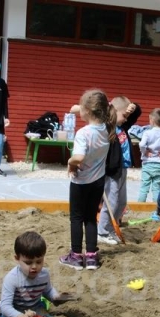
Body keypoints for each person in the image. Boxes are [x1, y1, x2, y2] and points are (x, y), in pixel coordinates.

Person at [0, 231, 98, 317]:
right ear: (17, 259)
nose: (34, 267)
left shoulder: (44, 274)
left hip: (36, 309)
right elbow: (5, 306)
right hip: (15, 310)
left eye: (39, 261)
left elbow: (48, 291)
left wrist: (56, 297)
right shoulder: (12, 278)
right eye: (28, 263)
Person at [59, 89, 113, 270]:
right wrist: (79, 107)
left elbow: (79, 157)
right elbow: (82, 109)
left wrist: (69, 161)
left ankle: (75, 256)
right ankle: (91, 256)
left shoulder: (84, 133)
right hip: (98, 181)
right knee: (90, 217)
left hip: (81, 182)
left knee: (76, 218)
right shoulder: (106, 129)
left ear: (88, 111)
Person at [97, 96, 142, 245]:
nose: (125, 119)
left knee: (121, 203)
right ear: (114, 112)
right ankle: (102, 232)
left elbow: (136, 113)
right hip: (111, 172)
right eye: (124, 115)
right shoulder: (107, 127)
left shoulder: (123, 127)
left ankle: (111, 229)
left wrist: (132, 108)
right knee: (111, 202)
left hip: (123, 170)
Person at [138, 108, 160, 202]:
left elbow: (141, 144)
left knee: (144, 186)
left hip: (148, 163)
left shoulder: (147, 133)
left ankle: (140, 206)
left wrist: (144, 151)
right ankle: (156, 207)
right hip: (159, 164)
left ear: (152, 120)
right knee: (156, 187)